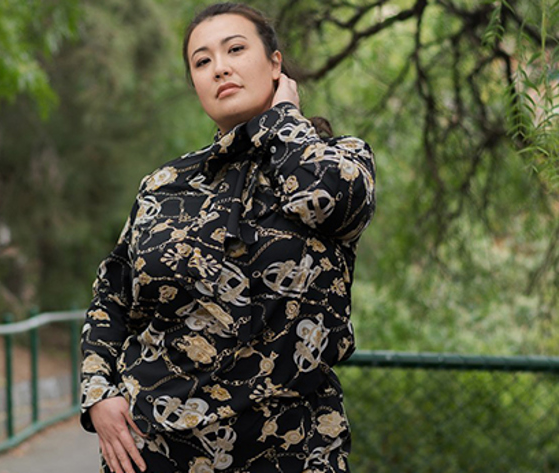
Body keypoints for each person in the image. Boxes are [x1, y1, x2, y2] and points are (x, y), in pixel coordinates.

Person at [79, 3, 376, 472]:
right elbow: (112, 298)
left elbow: (329, 201)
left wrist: (284, 118)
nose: (220, 67)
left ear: (275, 64)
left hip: (292, 449)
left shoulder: (336, 160)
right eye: (202, 61)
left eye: (235, 49)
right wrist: (98, 392)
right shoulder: (164, 186)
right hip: (156, 448)